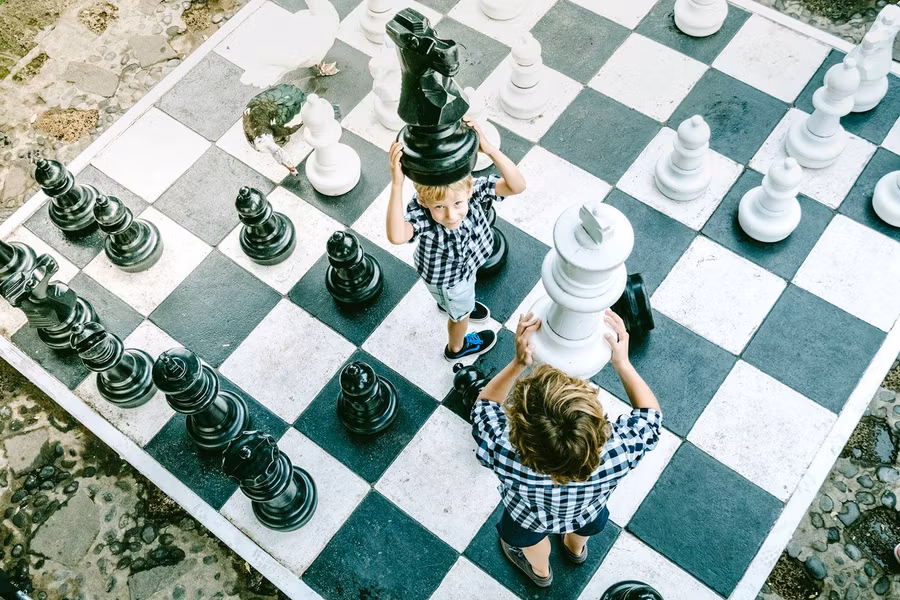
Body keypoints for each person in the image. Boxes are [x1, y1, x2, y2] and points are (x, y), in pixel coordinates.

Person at [471, 310, 662, 587]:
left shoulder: (504, 451)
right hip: (587, 512)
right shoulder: (617, 453)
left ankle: (540, 573)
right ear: (598, 425)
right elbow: (651, 417)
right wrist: (622, 363)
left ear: (518, 428)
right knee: (582, 531)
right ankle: (575, 551)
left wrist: (518, 363)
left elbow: (483, 408)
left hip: (528, 518)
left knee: (532, 544)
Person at [385, 121, 526, 360]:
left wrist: (489, 149)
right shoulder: (424, 216)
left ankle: (451, 305)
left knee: (460, 301)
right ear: (423, 201)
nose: (451, 215)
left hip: (464, 269)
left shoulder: (473, 190)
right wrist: (397, 184)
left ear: (469, 190)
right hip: (450, 281)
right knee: (460, 315)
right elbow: (397, 236)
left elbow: (517, 185)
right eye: (439, 207)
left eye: (458, 204)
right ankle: (456, 348)